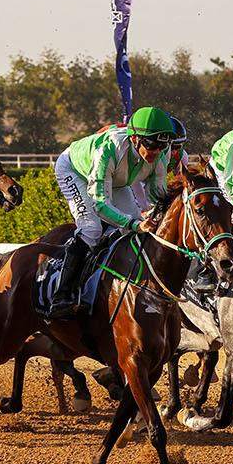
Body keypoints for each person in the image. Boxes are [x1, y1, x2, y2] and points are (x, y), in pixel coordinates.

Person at [49, 106, 175, 318]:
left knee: (136, 230)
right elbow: (100, 205)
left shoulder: (162, 154)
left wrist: (156, 216)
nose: (155, 152)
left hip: (117, 179)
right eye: (151, 145)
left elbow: (158, 197)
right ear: (135, 139)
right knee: (91, 229)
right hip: (75, 170)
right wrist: (135, 223)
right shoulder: (108, 148)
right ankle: (62, 295)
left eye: (162, 146)